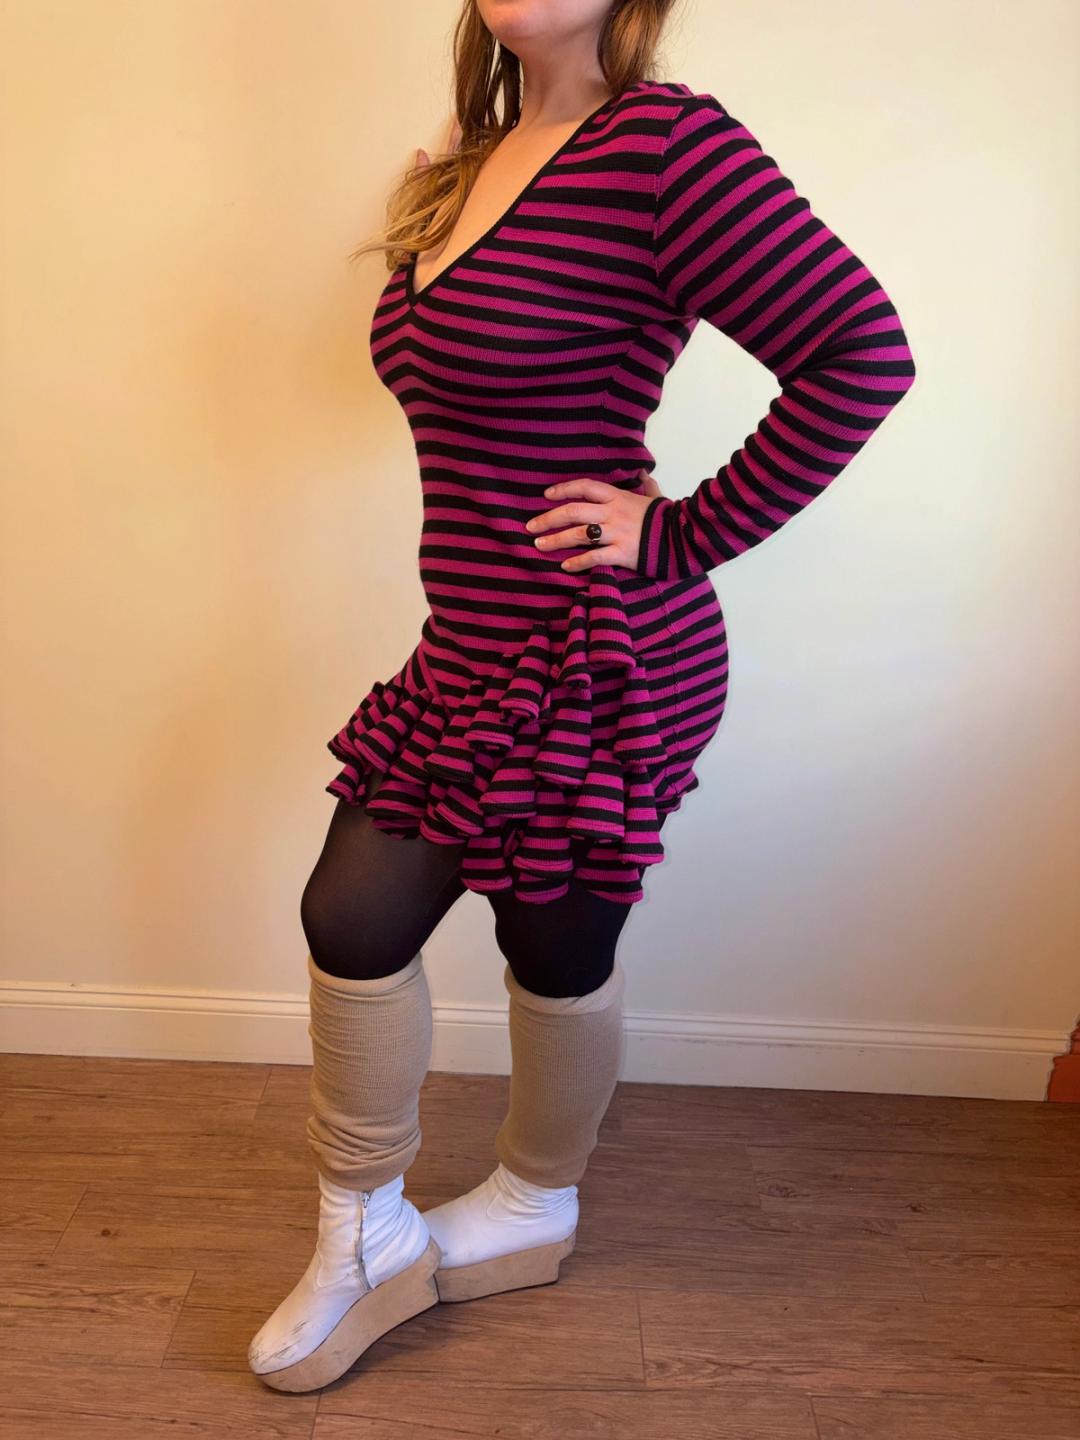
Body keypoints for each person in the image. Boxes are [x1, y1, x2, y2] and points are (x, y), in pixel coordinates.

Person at [247, 0, 917, 1393]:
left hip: (603, 655)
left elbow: (864, 354)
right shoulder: (471, 158)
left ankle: (532, 1199)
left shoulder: (666, 147)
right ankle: (362, 1234)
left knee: (552, 946)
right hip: (471, 646)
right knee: (351, 919)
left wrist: (677, 532)